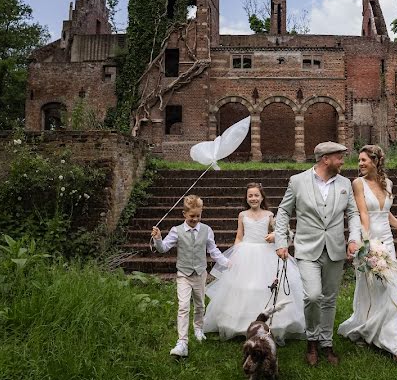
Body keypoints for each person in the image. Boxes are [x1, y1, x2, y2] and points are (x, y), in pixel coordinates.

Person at [275, 141, 361, 366]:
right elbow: (284, 211)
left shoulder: (345, 183)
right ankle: (312, 339)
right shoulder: (297, 181)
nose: (343, 161)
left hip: (335, 249)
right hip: (307, 248)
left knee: (330, 299)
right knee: (312, 296)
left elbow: (352, 214)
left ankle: (327, 343)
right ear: (325, 159)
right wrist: (281, 241)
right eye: (339, 157)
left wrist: (353, 239)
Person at [338, 144, 397, 365]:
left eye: (363, 160)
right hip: (369, 240)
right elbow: (363, 213)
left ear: (376, 161)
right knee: (368, 288)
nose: (359, 164)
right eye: (358, 160)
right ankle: (367, 327)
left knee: (389, 289)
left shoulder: (387, 183)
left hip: (387, 241)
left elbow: (385, 211)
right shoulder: (357, 184)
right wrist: (367, 243)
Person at [204, 183, 305, 343]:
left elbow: (281, 231)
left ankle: (276, 324)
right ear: (246, 198)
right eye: (250, 195)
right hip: (246, 252)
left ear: (262, 197)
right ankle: (240, 325)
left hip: (266, 252)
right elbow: (239, 236)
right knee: (245, 287)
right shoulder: (242, 215)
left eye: (256, 195)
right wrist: (236, 253)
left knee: (265, 287)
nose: (253, 198)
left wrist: (274, 235)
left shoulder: (269, 215)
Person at [151, 194, 229, 358]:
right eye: (192, 216)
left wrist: (226, 262)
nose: (195, 219)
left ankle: (198, 329)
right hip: (184, 275)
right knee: (183, 306)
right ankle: (182, 342)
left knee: (200, 305)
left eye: (198, 216)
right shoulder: (176, 231)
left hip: (200, 273)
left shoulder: (206, 230)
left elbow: (213, 250)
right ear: (184, 214)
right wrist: (158, 239)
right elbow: (163, 248)